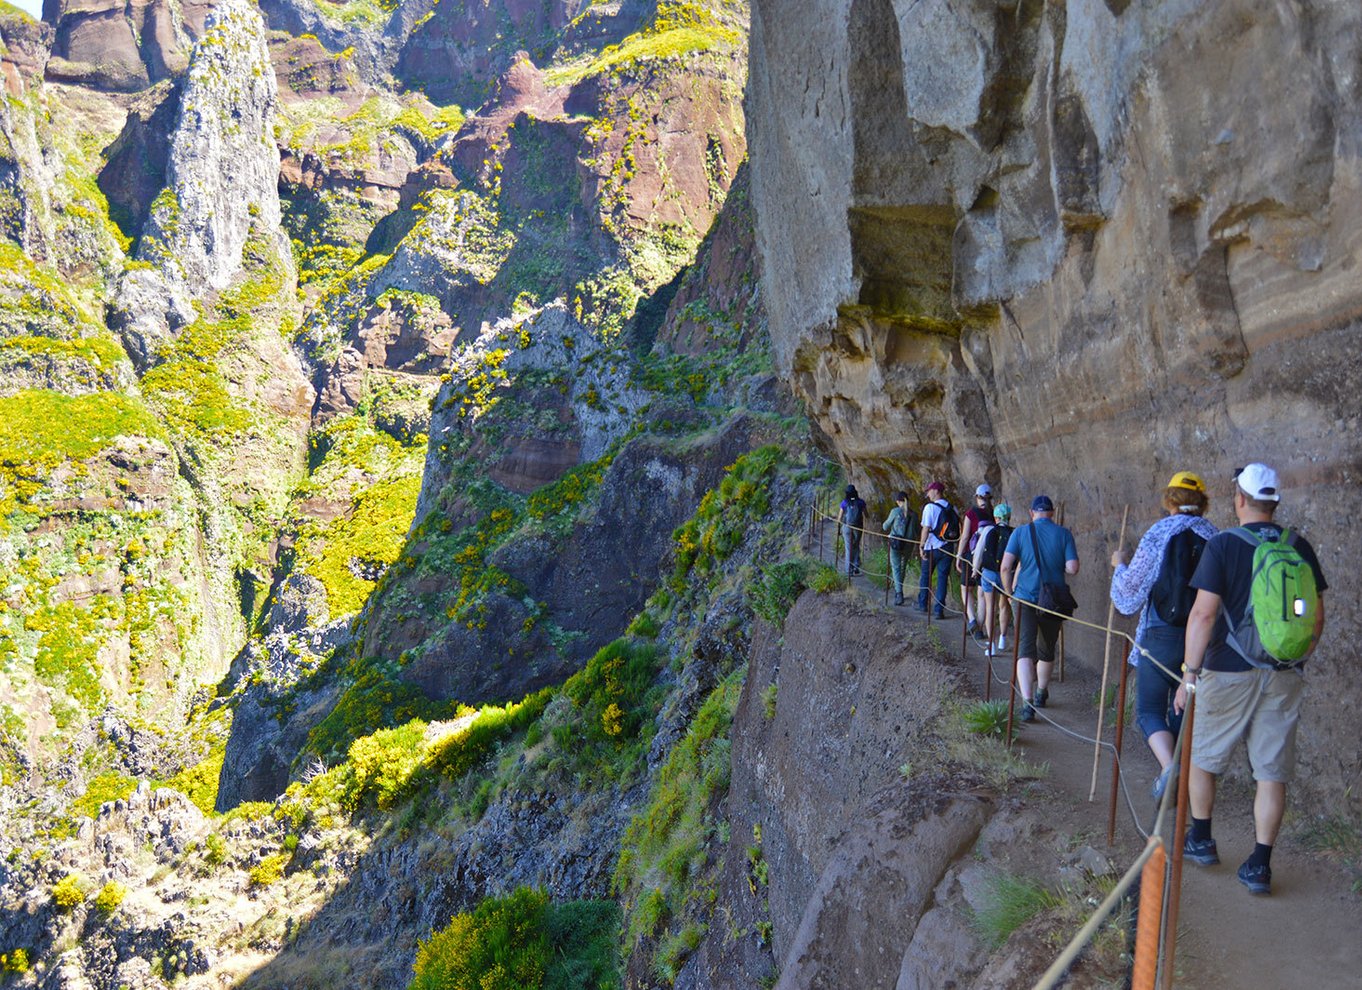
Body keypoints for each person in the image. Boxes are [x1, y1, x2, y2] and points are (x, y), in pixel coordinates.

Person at [1175, 463, 1327, 896]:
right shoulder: (1299, 546)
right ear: (1274, 502)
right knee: (1271, 772)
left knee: (1204, 757)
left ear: (1239, 500)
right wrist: (1293, 656)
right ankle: (1259, 865)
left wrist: (1188, 675)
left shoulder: (1223, 545)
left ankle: (1201, 839)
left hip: (1227, 670)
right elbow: (1314, 616)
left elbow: (1203, 614)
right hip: (1284, 674)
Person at [1109, 471, 1218, 800]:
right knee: (1182, 708)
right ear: (1202, 501)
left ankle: (1170, 769)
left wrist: (1118, 566)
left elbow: (1131, 592)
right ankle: (1178, 774)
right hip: (1202, 639)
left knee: (1149, 710)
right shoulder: (1215, 536)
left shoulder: (1160, 533)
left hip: (1162, 633)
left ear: (1169, 499)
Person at [1000, 495, 1079, 722]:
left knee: (1025, 649)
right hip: (1052, 600)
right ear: (1052, 512)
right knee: (1046, 649)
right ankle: (1041, 693)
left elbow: (1006, 567)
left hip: (1024, 597)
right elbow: (1072, 568)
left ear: (1031, 512)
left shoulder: (1020, 533)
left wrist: (1008, 593)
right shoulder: (1064, 534)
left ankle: (1026, 704)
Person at [976, 503, 1013, 657]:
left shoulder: (989, 530)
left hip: (989, 572)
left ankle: (991, 645)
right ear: (1009, 517)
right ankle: (1002, 639)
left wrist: (974, 570)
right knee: (1004, 605)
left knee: (991, 607)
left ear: (996, 518)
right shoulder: (1014, 533)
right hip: (1007, 574)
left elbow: (979, 551)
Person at [957, 484, 995, 638]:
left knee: (966, 589)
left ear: (977, 497)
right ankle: (979, 629)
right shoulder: (993, 514)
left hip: (971, 555)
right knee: (981, 593)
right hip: (987, 557)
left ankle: (972, 621)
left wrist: (959, 555)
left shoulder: (971, 514)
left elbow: (965, 536)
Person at [917, 481, 953, 618]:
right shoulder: (951, 508)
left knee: (926, 576)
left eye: (929, 491)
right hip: (947, 547)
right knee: (942, 578)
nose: (927, 493)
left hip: (932, 546)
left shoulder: (929, 508)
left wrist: (921, 546)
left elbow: (925, 528)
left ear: (936, 491)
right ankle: (939, 610)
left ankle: (922, 604)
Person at [882, 490, 912, 605]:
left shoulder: (896, 511)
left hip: (896, 543)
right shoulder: (913, 514)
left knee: (896, 567)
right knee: (903, 566)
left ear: (898, 501)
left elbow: (885, 526)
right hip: (908, 544)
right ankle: (900, 589)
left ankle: (899, 593)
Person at [838, 484, 867, 576]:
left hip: (847, 527)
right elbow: (866, 515)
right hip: (858, 527)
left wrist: (839, 528)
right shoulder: (861, 502)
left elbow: (839, 518)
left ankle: (848, 570)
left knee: (848, 548)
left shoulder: (844, 503)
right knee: (856, 545)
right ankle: (856, 567)